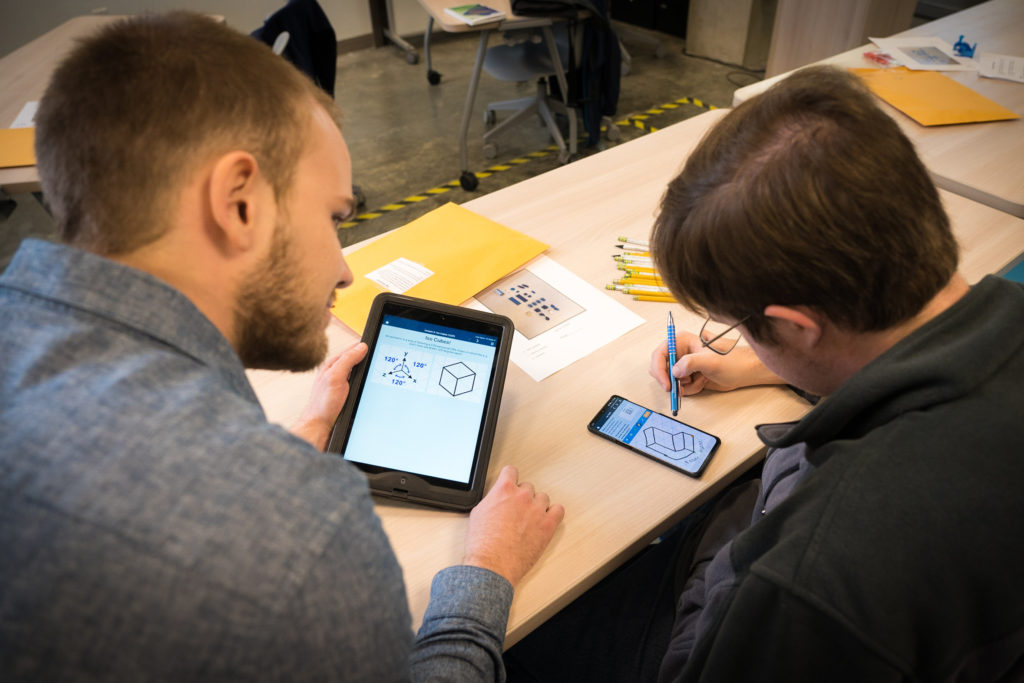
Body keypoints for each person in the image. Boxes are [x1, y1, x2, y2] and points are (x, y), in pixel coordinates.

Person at [0, 12, 564, 681]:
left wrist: (306, 430)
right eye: (333, 219)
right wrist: (486, 571)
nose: (346, 269)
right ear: (239, 203)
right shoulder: (299, 540)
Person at [505, 65, 1024, 681]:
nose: (743, 341)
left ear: (801, 326)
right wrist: (770, 367)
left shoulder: (810, 576)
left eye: (743, 326)